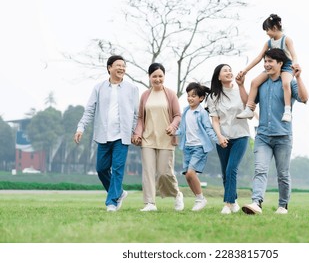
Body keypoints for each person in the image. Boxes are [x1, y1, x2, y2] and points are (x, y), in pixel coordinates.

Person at [241, 48, 308, 215]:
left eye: (270, 61)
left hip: (283, 136)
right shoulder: (261, 84)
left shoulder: (288, 83)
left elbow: (304, 98)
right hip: (263, 135)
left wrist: (298, 78)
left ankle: (283, 206)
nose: (266, 64)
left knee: (283, 174)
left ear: (280, 64)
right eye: (265, 61)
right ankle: (256, 203)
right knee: (260, 170)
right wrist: (241, 85)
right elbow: (249, 104)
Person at [74, 55, 139, 212]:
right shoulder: (99, 88)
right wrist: (80, 127)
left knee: (117, 169)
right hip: (103, 135)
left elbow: (136, 113)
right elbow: (90, 109)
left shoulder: (132, 89)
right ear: (109, 68)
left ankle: (111, 202)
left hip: (122, 136)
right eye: (118, 65)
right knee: (101, 169)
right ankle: (120, 192)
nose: (121, 68)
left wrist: (134, 131)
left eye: (124, 66)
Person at [132, 63, 184, 212]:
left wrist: (173, 126)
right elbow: (141, 118)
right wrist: (137, 133)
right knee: (148, 171)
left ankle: (177, 194)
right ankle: (150, 203)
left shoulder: (171, 94)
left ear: (164, 77)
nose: (157, 79)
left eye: (160, 76)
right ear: (149, 77)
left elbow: (177, 115)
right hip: (148, 139)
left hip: (166, 139)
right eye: (154, 76)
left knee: (164, 173)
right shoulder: (145, 95)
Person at [236, 14, 299, 122]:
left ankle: (287, 111)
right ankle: (249, 109)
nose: (266, 33)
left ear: (274, 28)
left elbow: (294, 55)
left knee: (285, 83)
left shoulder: (286, 39)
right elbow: (259, 57)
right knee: (254, 82)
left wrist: (295, 64)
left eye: (267, 30)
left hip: (287, 66)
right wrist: (246, 70)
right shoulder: (269, 43)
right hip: (271, 66)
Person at [206, 64, 251, 214]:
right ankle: (234, 200)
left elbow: (249, 109)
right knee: (226, 172)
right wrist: (219, 136)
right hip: (223, 137)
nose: (229, 72)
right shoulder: (213, 97)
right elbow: (215, 120)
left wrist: (242, 85)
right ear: (218, 76)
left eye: (230, 70)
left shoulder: (240, 91)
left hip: (241, 135)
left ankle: (227, 203)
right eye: (225, 70)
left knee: (232, 168)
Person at [170, 82, 218, 211]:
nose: (190, 98)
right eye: (188, 95)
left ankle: (200, 199)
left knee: (191, 173)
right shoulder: (185, 111)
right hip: (187, 147)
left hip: (199, 147)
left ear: (201, 98)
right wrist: (173, 132)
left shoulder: (202, 113)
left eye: (194, 96)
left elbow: (209, 129)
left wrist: (219, 140)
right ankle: (199, 198)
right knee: (187, 175)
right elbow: (182, 130)